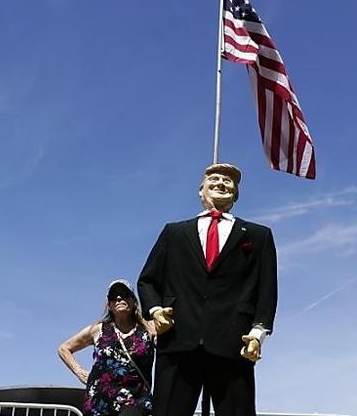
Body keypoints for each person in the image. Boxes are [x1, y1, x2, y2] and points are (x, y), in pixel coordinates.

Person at [137, 163, 278, 416]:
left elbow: (266, 290)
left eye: (228, 181)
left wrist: (258, 333)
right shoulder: (174, 233)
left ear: (235, 194)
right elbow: (148, 280)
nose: (221, 183)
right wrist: (156, 311)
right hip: (178, 339)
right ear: (201, 190)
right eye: (214, 179)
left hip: (233, 342)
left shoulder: (258, 236)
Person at [58, 279, 155, 416]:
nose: (119, 298)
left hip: (135, 402)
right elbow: (64, 348)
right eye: (113, 296)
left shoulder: (148, 329)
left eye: (124, 294)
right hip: (100, 403)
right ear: (109, 305)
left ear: (134, 301)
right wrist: (79, 371)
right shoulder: (98, 330)